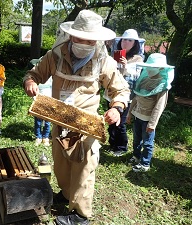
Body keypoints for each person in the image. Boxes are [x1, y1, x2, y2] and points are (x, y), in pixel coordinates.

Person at [23, 10, 130, 225]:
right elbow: (34, 74)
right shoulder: (54, 56)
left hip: (86, 126)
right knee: (61, 163)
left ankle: (81, 215)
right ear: (71, 36)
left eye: (90, 40)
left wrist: (116, 108)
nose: (85, 43)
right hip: (59, 119)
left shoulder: (104, 61)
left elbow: (121, 91)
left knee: (84, 166)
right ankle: (67, 193)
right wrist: (30, 82)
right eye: (81, 39)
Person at [126, 53, 174, 172]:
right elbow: (136, 97)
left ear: (161, 68)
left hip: (148, 119)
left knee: (147, 142)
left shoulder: (163, 84)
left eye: (153, 67)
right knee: (137, 139)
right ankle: (136, 156)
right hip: (138, 115)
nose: (149, 69)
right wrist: (129, 113)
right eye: (149, 66)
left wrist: (152, 124)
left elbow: (159, 106)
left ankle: (145, 164)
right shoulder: (145, 78)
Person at [106, 29, 145, 157]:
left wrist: (126, 65)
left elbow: (137, 76)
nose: (126, 42)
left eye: (129, 40)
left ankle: (121, 147)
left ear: (135, 43)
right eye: (124, 39)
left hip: (125, 96)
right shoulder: (114, 55)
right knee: (110, 120)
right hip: (111, 93)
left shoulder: (138, 58)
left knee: (120, 123)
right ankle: (112, 143)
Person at [34, 76, 52, 146]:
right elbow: (33, 89)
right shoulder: (37, 76)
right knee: (38, 121)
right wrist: (35, 98)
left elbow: (54, 88)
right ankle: (38, 137)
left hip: (49, 101)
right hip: (38, 101)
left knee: (47, 121)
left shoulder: (51, 76)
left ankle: (45, 137)